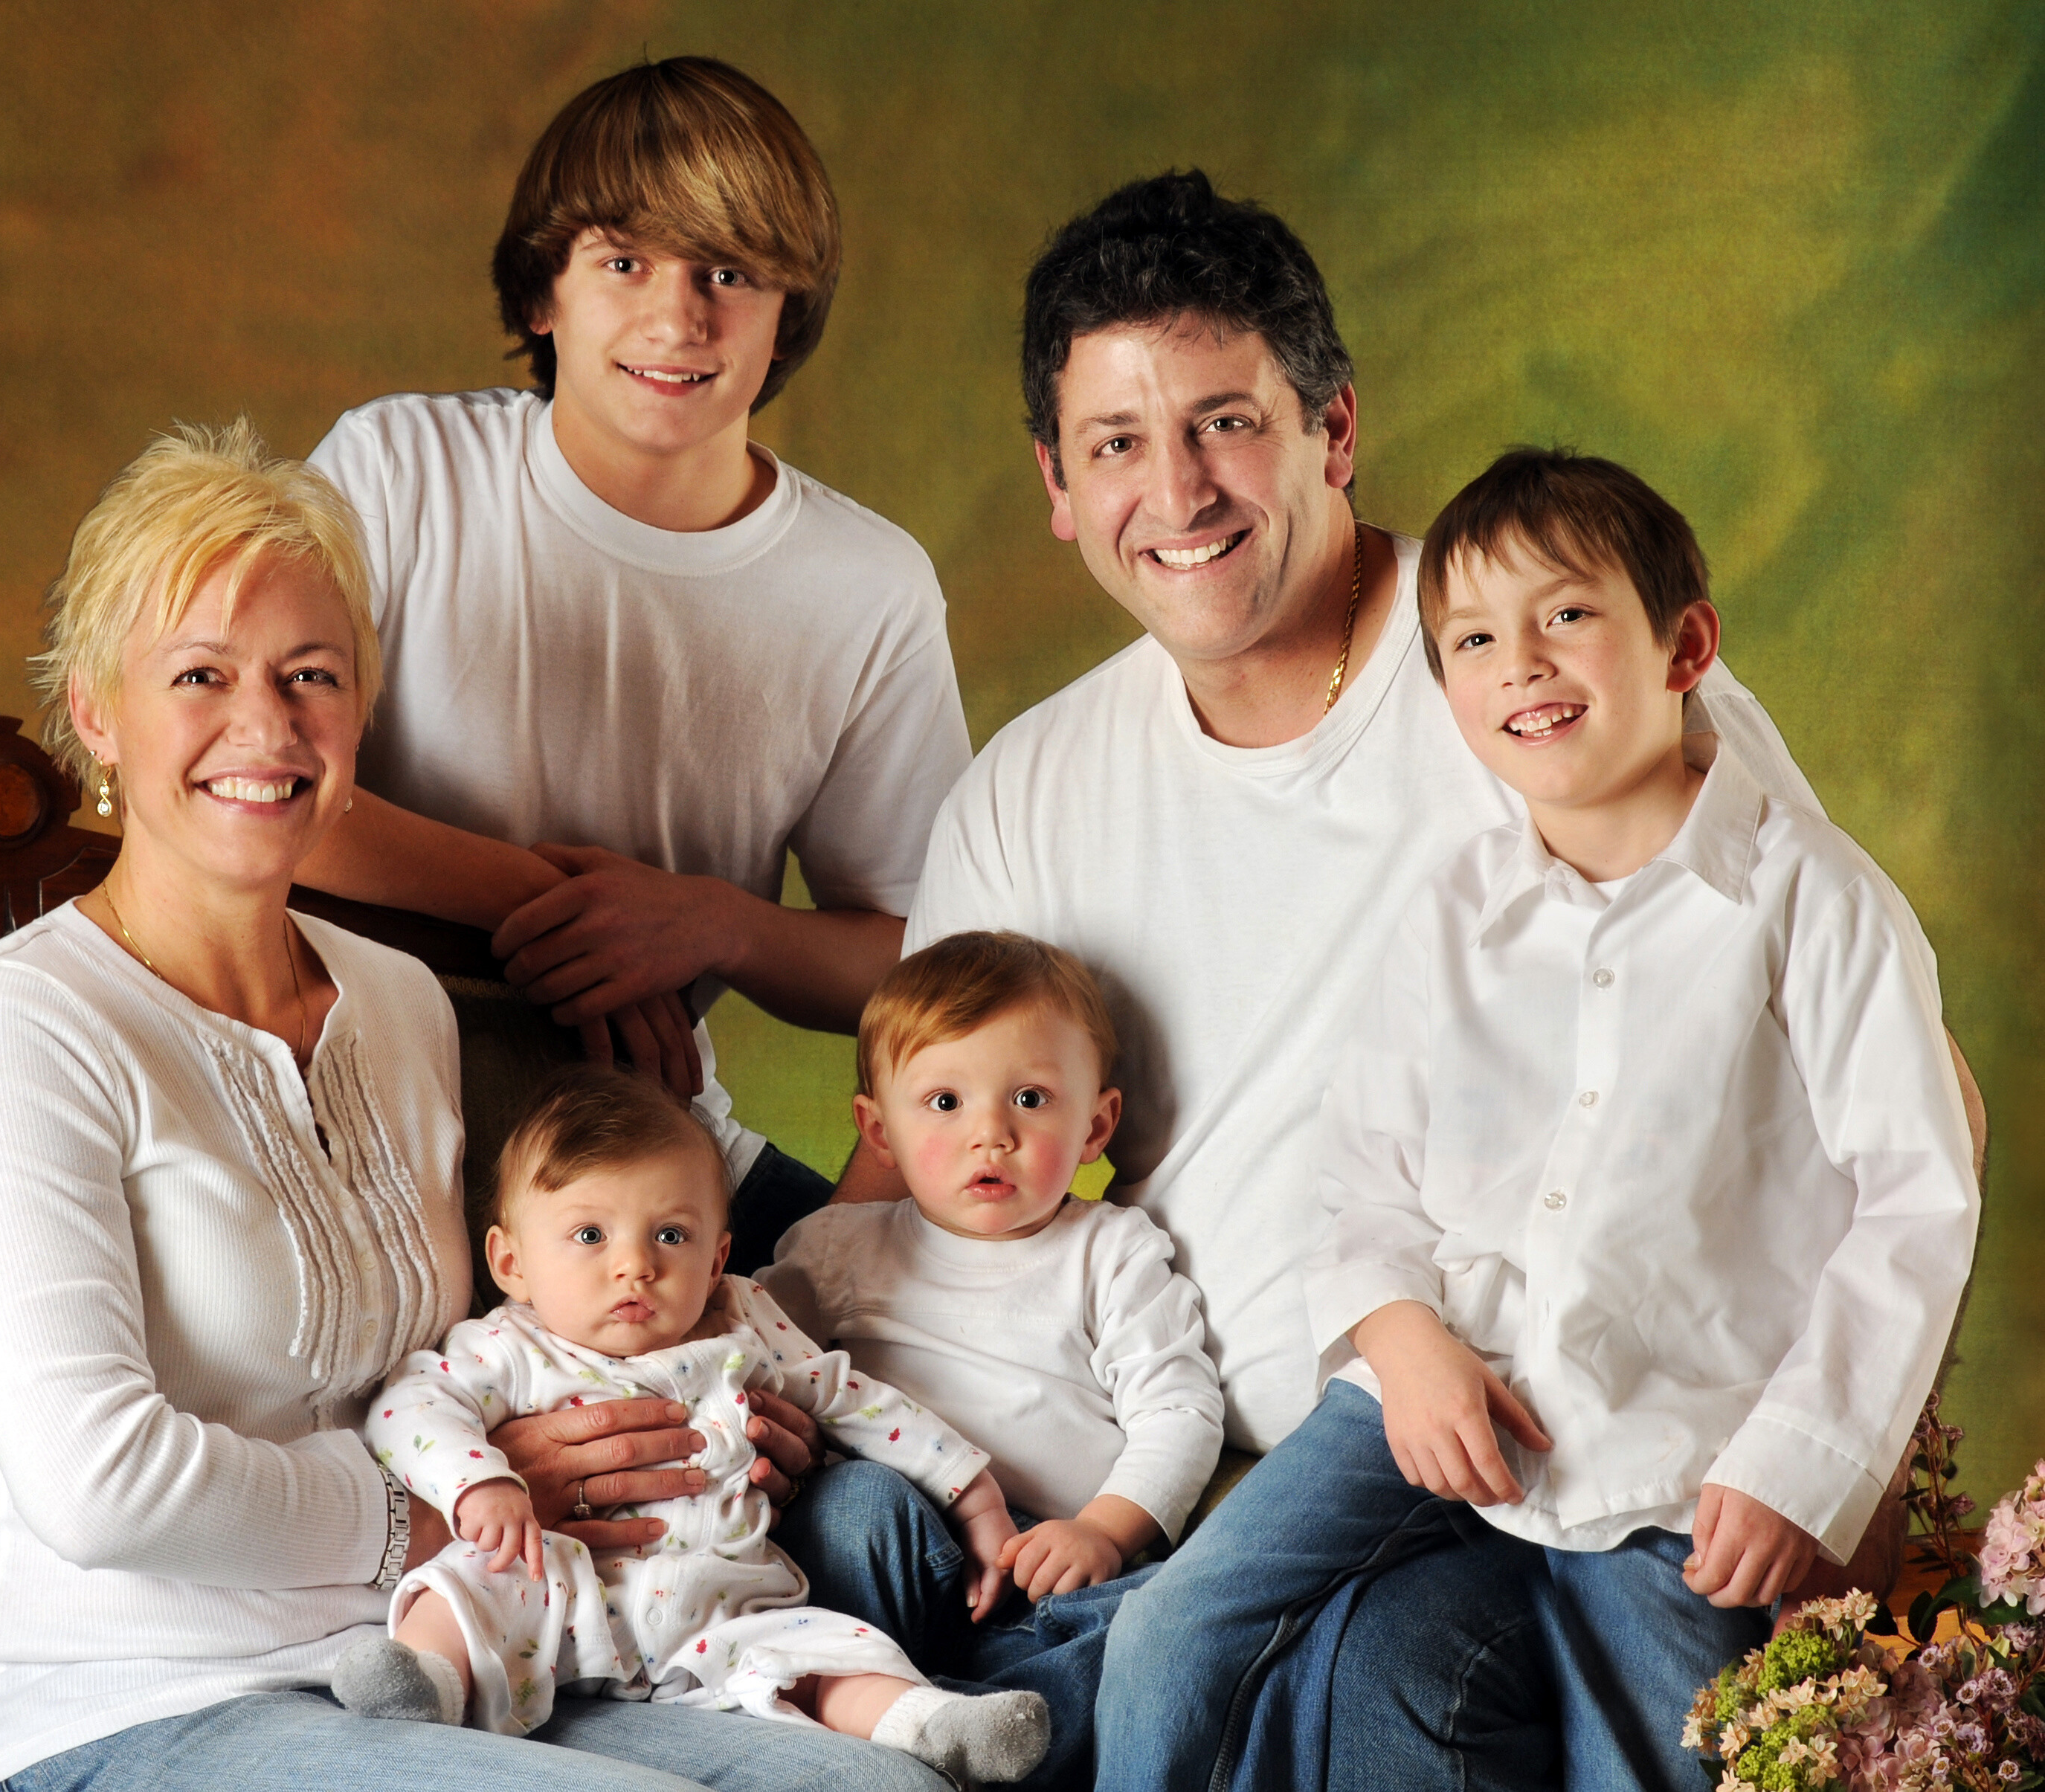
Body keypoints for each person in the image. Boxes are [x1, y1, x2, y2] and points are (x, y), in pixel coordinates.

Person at [854, 170, 1843, 1791]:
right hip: (1221, 1471)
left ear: (1334, 425)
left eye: (1226, 422)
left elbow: (1860, 1054)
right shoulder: (1030, 793)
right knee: (1300, 1667)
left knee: (1429, 1679)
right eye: (1115, 443)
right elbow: (909, 1176)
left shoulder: (1537, 677)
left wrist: (1821, 1447)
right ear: (1054, 482)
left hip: (1582, 1421)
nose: (1175, 488)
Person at [0, 421, 947, 1792]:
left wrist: (709, 1391)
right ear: (95, 710)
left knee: (885, 1787)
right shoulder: (4, 1033)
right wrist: (450, 1505)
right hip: (121, 1708)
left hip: (459, 1657)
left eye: (309, 677)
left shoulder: (398, 1003)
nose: (264, 730)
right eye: (197, 675)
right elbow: (102, 1483)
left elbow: (477, 1355)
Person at [1094, 448, 1981, 1791]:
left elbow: (1912, 1203)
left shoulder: (1812, 901)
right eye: (1469, 640)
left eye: (1564, 615)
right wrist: (1400, 1341)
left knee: (1671, 1754)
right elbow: (1366, 1182)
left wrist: (1798, 1465)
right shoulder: (1450, 914)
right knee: (1171, 1629)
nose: (1518, 663)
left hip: (1671, 1446)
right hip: (1438, 1382)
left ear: (1683, 644)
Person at [299, 56, 971, 1280]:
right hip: (352, 1121)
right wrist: (539, 907)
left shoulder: (867, 585)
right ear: (544, 294)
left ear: (786, 315)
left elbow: (921, 962)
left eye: (729, 273)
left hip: (645, 1150)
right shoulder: (395, 475)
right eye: (624, 263)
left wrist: (715, 926)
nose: (679, 320)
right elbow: (256, 796)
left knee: (940, 1374)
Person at [336, 1061, 1051, 1785]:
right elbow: (409, 1406)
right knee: (460, 1584)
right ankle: (428, 1683)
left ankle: (927, 1723)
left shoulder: (742, 1320)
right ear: (511, 1261)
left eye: (670, 1236)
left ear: (716, 1259)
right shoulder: (509, 1344)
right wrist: (478, 1483)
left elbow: (855, 1398)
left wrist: (973, 1491)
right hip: (554, 1586)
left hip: (721, 1599)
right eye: (590, 1234)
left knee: (832, 1651)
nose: (634, 1266)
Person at [763, 932, 1223, 1788]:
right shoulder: (834, 1251)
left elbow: (1179, 1409)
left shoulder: (1111, 1251)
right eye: (943, 1102)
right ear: (879, 1130)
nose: (992, 1135)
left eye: (1029, 1097)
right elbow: (743, 1358)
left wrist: (1104, 1530)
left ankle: (955, 1730)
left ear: (1096, 1124)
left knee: (1166, 1624)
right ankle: (870, 1706)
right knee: (854, 1504)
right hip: (893, 1564)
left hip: (1052, 1576)